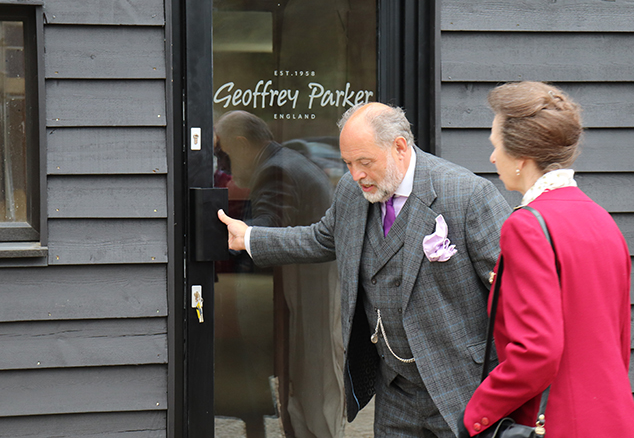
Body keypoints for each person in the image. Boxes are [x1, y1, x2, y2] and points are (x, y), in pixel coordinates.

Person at [219, 102, 512, 436]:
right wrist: (252, 237)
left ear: (400, 147)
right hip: (395, 390)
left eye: (365, 162)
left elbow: (513, 294)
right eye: (348, 163)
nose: (356, 174)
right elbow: (321, 238)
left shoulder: (467, 195)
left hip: (461, 384)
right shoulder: (351, 192)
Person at [457, 82, 634, 437]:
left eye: (495, 145)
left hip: (562, 424)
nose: (493, 157)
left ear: (521, 158)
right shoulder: (602, 219)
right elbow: (618, 345)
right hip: (615, 420)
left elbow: (537, 352)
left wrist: (476, 414)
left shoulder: (526, 226)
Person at [214, 111, 344, 438]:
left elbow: (270, 228)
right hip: (311, 287)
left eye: (224, 153)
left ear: (241, 144)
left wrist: (225, 236)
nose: (223, 164)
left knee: (305, 388)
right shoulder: (286, 160)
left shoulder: (275, 170)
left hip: (305, 294)